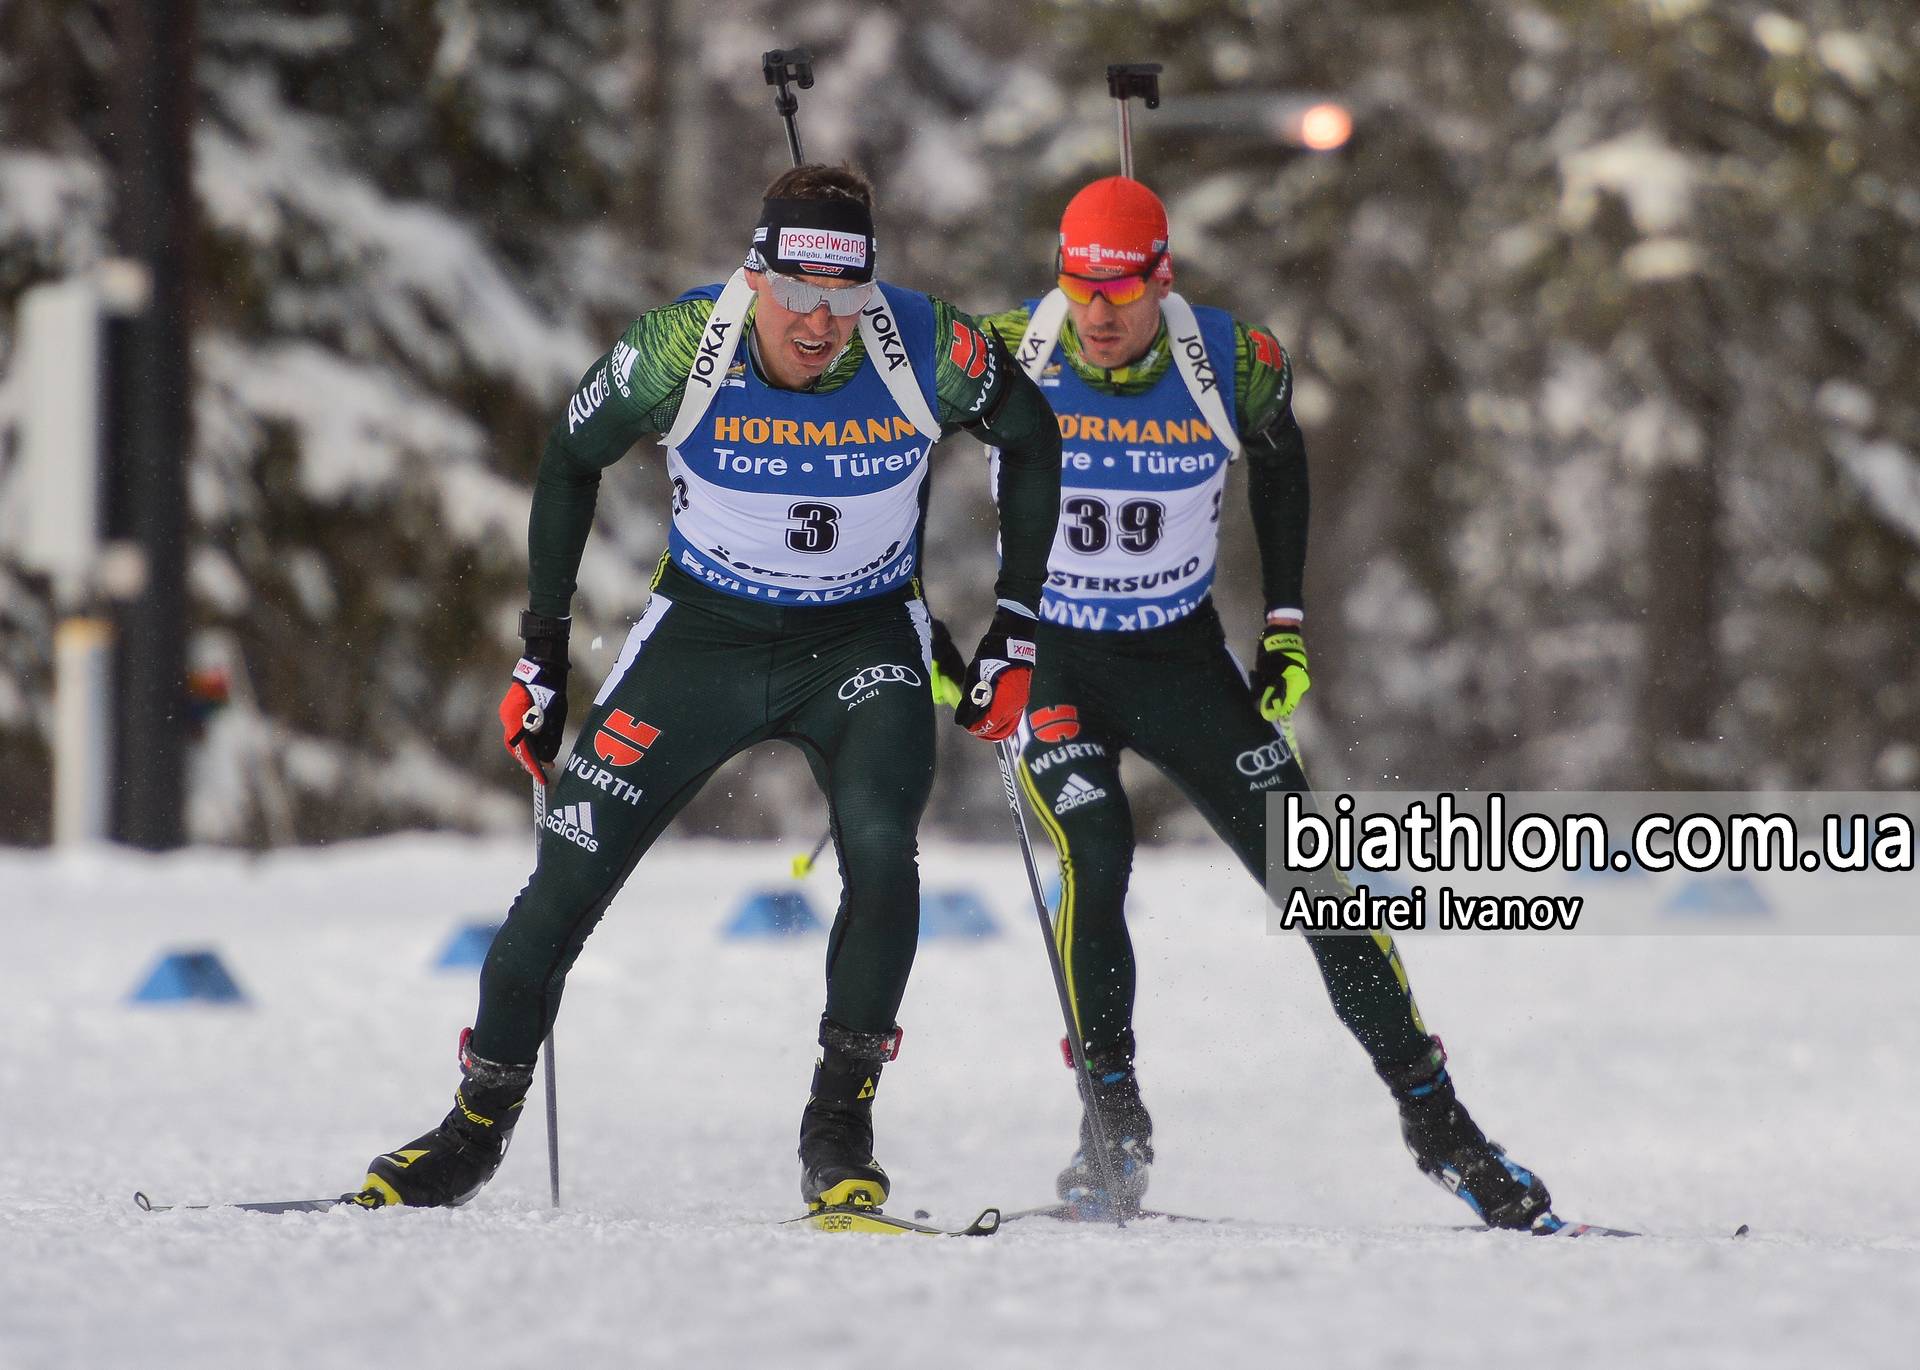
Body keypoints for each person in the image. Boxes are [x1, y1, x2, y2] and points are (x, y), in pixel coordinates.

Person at [355, 164, 1060, 1214]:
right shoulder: (680, 346)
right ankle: (473, 1127)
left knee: (880, 848)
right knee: (566, 876)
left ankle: (840, 1123)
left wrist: (1017, 622)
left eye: (845, 297)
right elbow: (567, 455)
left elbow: (1033, 431)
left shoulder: (927, 343)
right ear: (756, 272)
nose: (822, 325)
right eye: (798, 295)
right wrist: (541, 652)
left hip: (859, 639)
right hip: (705, 633)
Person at [972, 176, 1553, 1229]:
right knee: (1093, 848)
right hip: (1054, 662)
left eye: (1119, 291)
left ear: (1163, 276)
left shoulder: (1232, 362)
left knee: (1315, 873)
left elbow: (1283, 471)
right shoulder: (1009, 351)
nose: (1096, 314)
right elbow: (879, 443)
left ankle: (1441, 1124)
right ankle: (1112, 1123)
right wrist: (925, 631)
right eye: (1078, 286)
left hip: (1178, 658)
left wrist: (1283, 620)